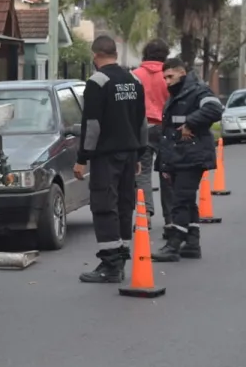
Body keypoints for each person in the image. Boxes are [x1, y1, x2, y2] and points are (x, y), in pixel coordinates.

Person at [74, 35, 148, 283]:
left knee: (104, 205)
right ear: (115, 53)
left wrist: (82, 158)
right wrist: (139, 153)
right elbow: (141, 121)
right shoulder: (134, 79)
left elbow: (92, 125)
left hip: (107, 156)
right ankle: (122, 256)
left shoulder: (97, 82)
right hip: (129, 153)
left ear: (95, 56)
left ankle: (110, 264)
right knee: (125, 205)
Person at [152, 58, 223, 262]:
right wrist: (164, 163)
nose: (167, 81)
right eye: (164, 77)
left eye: (170, 76)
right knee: (187, 200)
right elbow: (169, 132)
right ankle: (192, 243)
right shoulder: (178, 94)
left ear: (182, 73)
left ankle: (173, 245)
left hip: (191, 156)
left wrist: (190, 123)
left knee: (180, 201)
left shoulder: (198, 90)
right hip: (180, 156)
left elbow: (215, 109)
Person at [131, 39, 174, 236]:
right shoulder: (170, 75)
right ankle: (170, 218)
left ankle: (145, 213)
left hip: (143, 128)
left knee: (143, 173)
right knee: (167, 173)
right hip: (165, 127)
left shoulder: (135, 76)